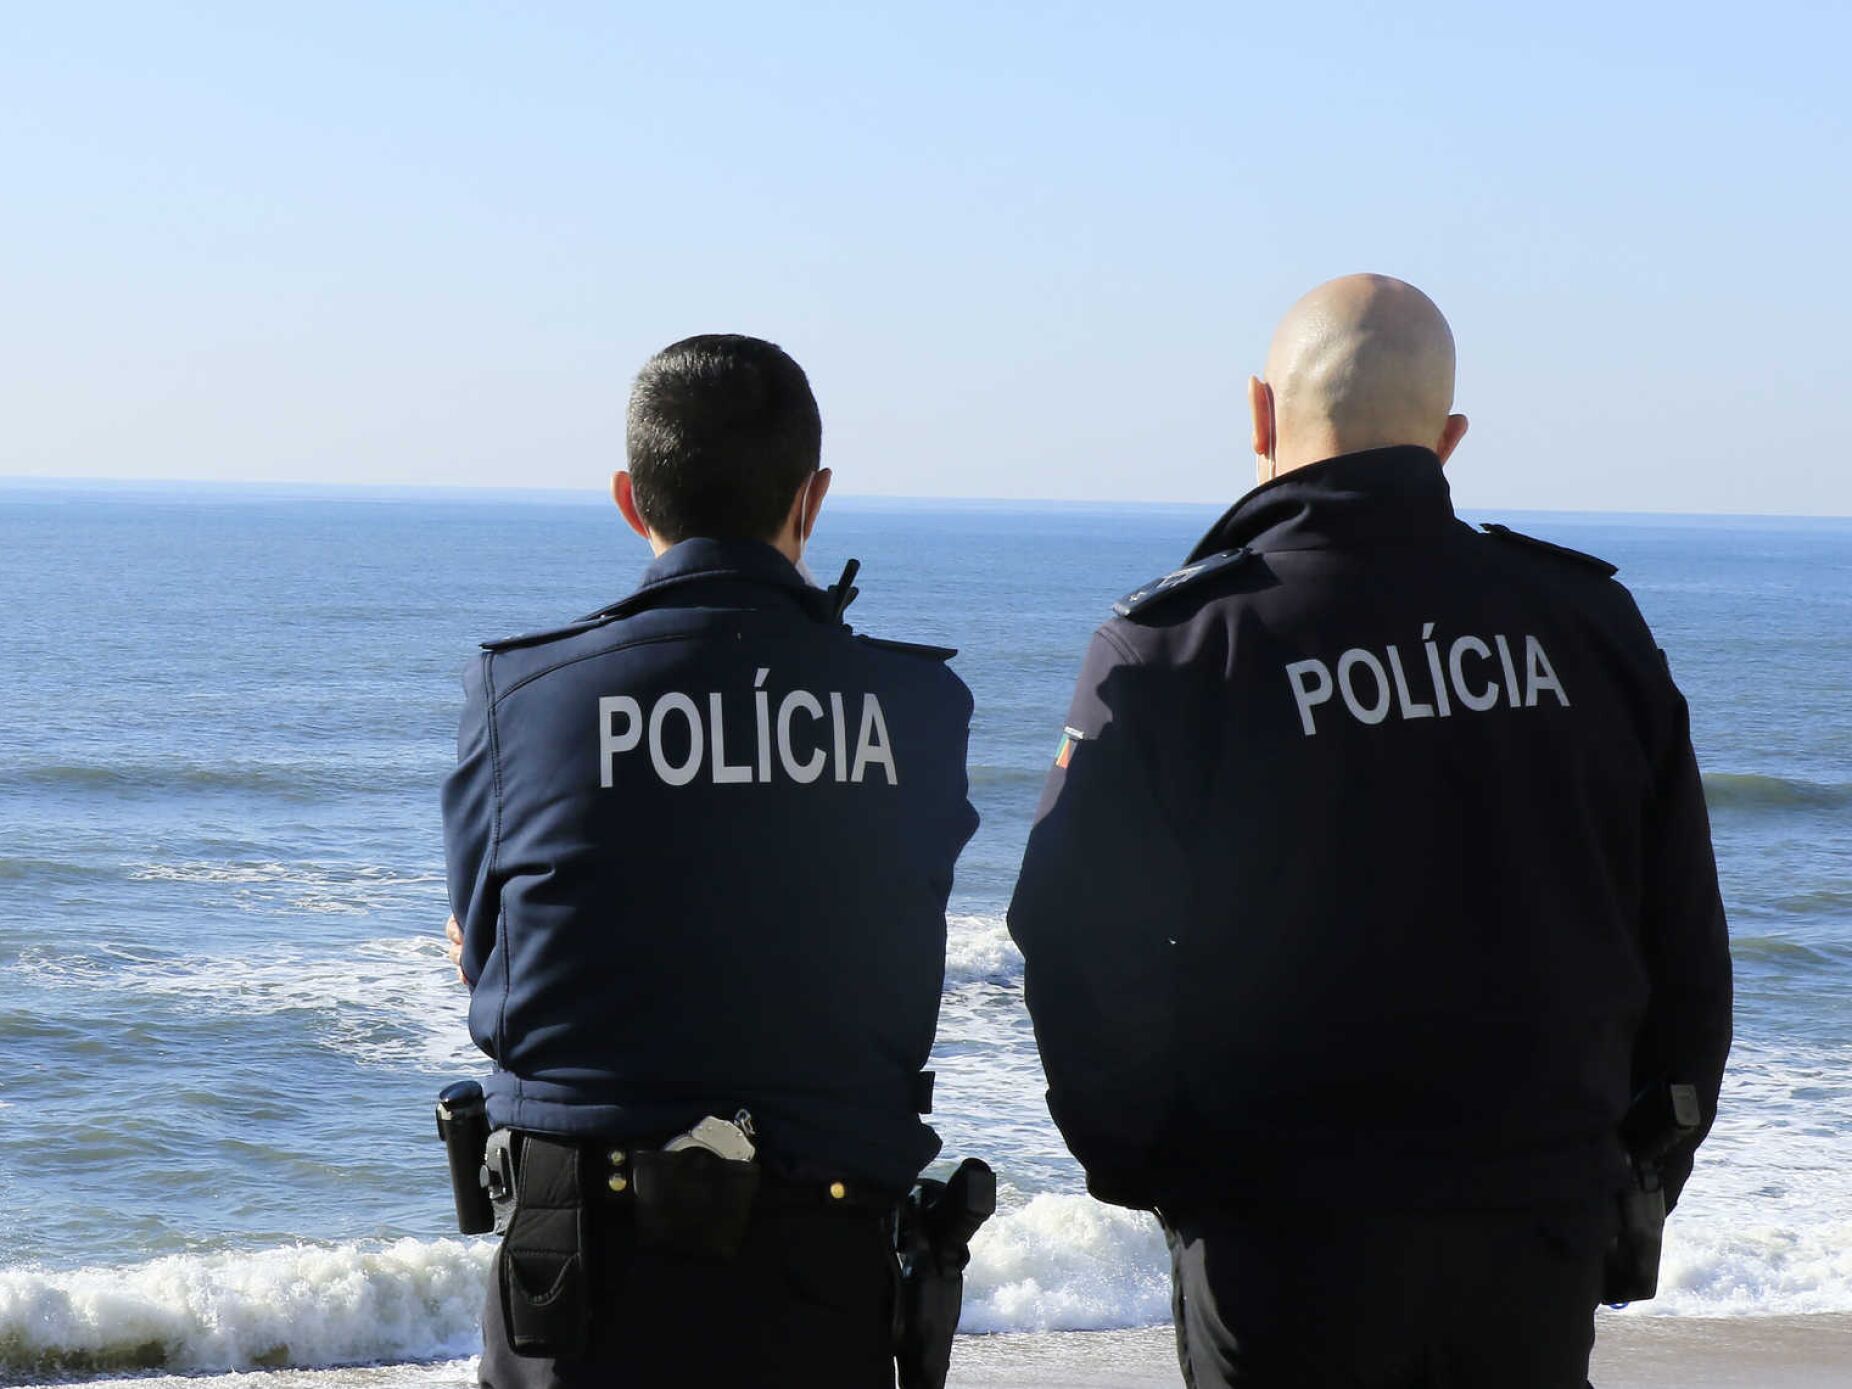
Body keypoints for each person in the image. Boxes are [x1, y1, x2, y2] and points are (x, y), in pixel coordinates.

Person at [1007, 275, 1733, 1388]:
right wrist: (1637, 1161)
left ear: (1259, 415)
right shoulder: (1586, 624)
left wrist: (1153, 1165)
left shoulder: (1182, 644)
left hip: (1281, 1229)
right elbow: (1682, 930)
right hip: (1537, 1216)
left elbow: (1073, 941)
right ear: (1447, 440)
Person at [441, 334, 979, 1389]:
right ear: (812, 498)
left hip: (576, 1275)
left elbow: (486, 955)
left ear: (629, 498)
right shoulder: (917, 707)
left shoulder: (522, 696)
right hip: (823, 1271)